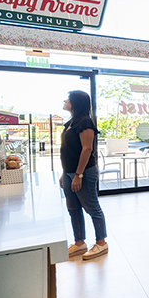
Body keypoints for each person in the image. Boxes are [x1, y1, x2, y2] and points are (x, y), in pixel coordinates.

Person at [60, 90, 108, 260]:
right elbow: (69, 151)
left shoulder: (85, 123)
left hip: (84, 172)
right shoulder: (71, 122)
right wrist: (65, 173)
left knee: (92, 207)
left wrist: (78, 175)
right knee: (73, 208)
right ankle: (79, 242)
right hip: (69, 172)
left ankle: (101, 243)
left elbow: (87, 149)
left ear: (76, 103)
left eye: (69, 99)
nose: (65, 101)